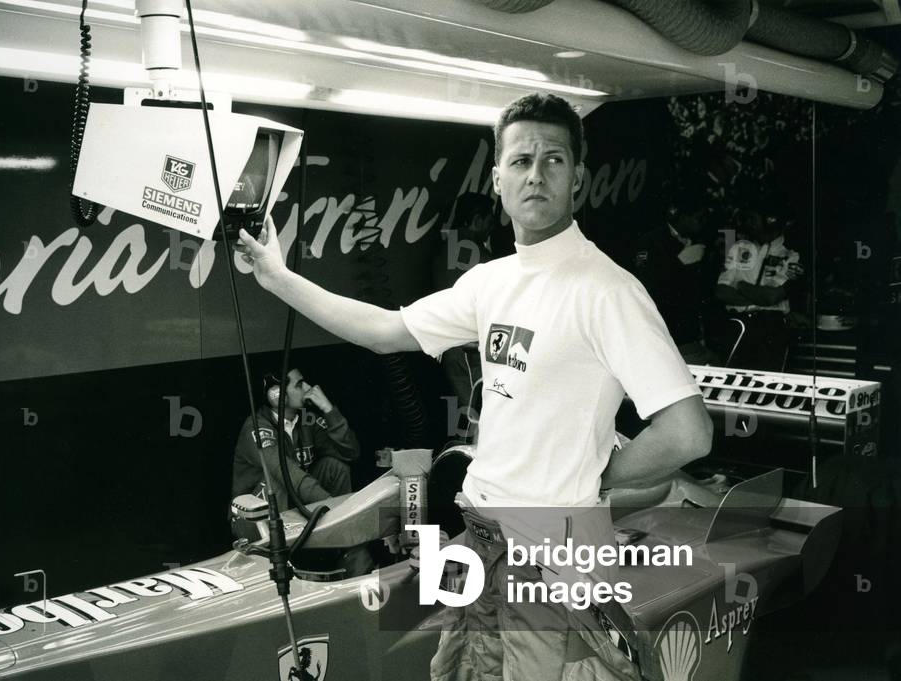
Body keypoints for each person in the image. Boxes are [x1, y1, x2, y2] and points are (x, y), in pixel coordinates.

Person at [235, 92, 711, 680]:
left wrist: (597, 475)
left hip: (551, 555)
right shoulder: (490, 282)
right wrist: (277, 279)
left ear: (578, 178)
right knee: (453, 673)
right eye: (520, 161)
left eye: (553, 160)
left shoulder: (605, 290)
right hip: (479, 536)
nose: (535, 174)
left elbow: (688, 431)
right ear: (497, 178)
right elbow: (385, 331)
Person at [231, 368, 360, 513]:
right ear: (277, 395)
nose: (308, 388)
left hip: (294, 501)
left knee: (335, 467)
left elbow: (350, 453)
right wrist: (332, 505)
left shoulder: (306, 419)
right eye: (299, 384)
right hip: (252, 516)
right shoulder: (256, 427)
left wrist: (328, 410)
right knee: (278, 480)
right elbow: (286, 472)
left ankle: (339, 525)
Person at [432, 192, 500, 443]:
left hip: (450, 347)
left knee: (466, 414)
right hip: (467, 349)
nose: (492, 224)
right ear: (475, 219)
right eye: (488, 218)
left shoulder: (444, 249)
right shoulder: (477, 254)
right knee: (477, 415)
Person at [714, 207, 804, 371]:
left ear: (770, 221)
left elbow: (771, 297)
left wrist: (739, 285)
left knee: (769, 385)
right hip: (737, 325)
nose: (750, 224)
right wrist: (759, 296)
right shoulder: (739, 248)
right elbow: (721, 292)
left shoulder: (792, 254)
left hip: (771, 328)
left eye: (754, 219)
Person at [631, 197, 714, 363]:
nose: (702, 223)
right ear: (683, 217)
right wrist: (679, 263)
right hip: (665, 327)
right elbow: (646, 283)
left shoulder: (703, 240)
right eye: (698, 218)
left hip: (694, 328)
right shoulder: (651, 241)